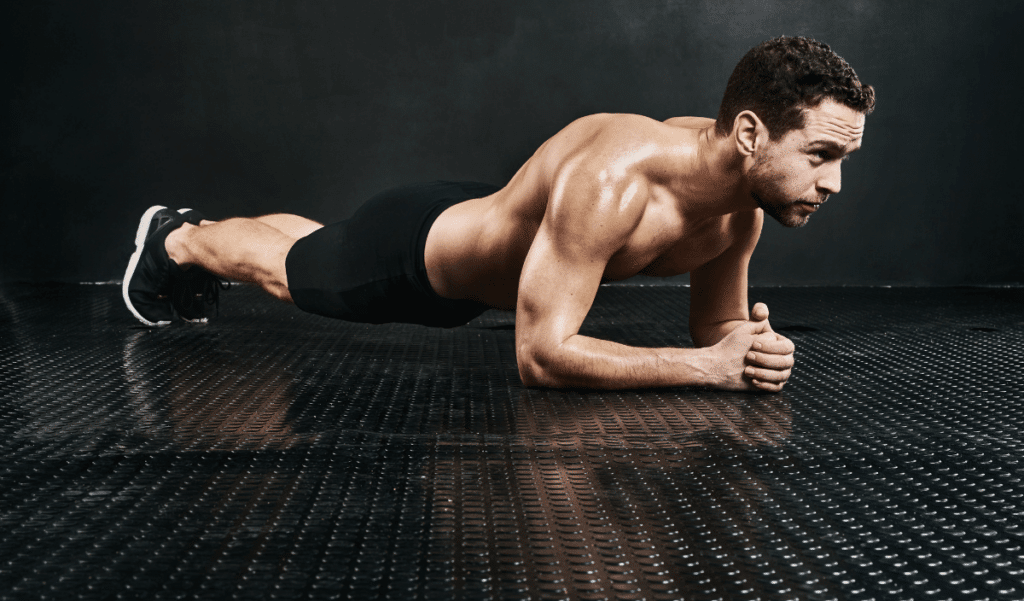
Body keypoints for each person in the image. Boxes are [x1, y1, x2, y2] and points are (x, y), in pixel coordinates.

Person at [123, 36, 874, 392]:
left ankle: (198, 230)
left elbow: (717, 330)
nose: (834, 183)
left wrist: (748, 346)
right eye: (821, 155)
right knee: (289, 273)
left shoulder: (737, 209)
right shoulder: (615, 179)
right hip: (417, 259)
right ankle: (177, 239)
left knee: (319, 241)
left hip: (488, 241)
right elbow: (540, 355)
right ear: (750, 134)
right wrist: (706, 370)